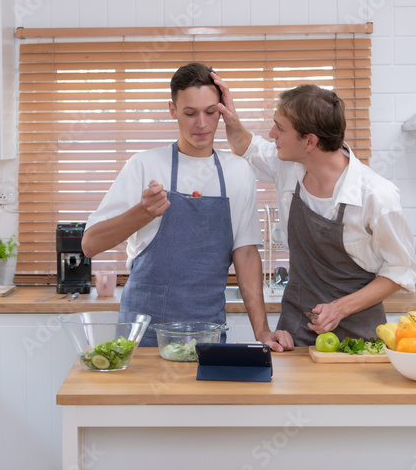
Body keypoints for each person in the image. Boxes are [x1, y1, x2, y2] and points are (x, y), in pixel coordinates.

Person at [82, 63, 288, 351]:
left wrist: (263, 330)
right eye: (190, 113)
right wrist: (142, 212)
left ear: (222, 110)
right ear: (172, 110)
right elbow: (90, 244)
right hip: (144, 326)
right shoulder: (144, 165)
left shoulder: (238, 170)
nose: (201, 124)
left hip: (207, 326)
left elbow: (246, 253)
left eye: (210, 112)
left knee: (203, 396)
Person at [213, 75, 416, 347]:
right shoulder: (288, 167)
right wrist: (229, 115)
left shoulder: (376, 196)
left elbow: (400, 270)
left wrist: (340, 308)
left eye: (279, 128)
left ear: (309, 142)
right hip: (296, 334)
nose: (272, 135)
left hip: (361, 341)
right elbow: (246, 148)